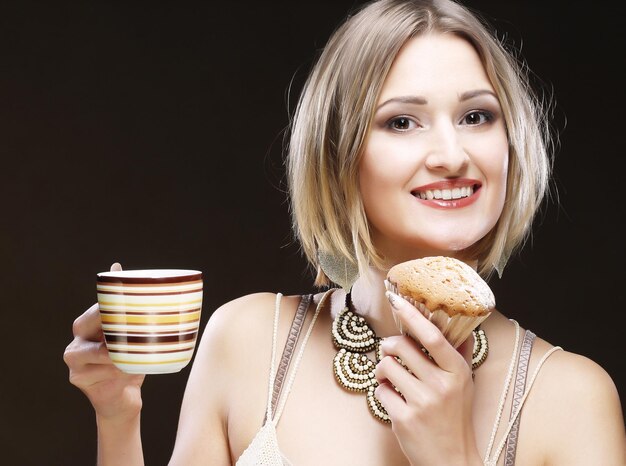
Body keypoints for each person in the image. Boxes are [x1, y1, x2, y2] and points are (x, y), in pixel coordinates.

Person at [63, 0, 626, 464]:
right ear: (338, 156)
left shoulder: (573, 399)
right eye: (401, 121)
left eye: (476, 116)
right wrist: (118, 416)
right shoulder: (246, 340)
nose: (453, 155)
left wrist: (452, 456)